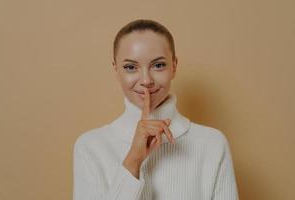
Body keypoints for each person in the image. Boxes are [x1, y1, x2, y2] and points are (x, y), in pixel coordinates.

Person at [73, 19, 239, 200]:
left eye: (158, 65)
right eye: (130, 67)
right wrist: (133, 160)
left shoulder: (212, 144)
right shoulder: (90, 146)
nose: (146, 80)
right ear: (116, 70)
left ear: (174, 66)